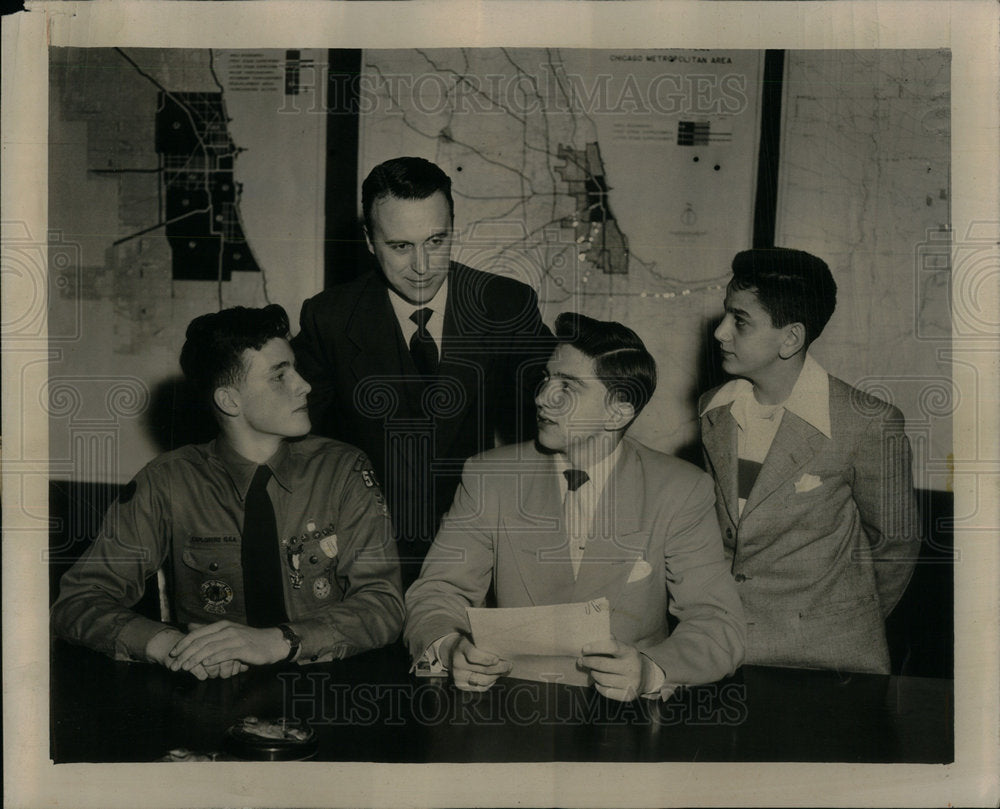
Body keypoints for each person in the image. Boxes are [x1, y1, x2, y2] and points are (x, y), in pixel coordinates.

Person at [404, 313, 746, 700]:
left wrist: (651, 669)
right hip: (508, 704)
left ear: (619, 410)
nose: (542, 397)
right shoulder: (490, 476)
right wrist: (450, 647)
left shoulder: (680, 490)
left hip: (623, 716)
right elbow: (436, 592)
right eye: (547, 379)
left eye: (567, 386)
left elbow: (718, 622)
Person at [51, 305, 404, 679]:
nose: (304, 384)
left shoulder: (342, 469)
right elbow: (77, 602)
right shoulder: (168, 481)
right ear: (229, 400)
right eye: (279, 376)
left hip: (324, 685)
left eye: (295, 368)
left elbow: (382, 605)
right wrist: (170, 646)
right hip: (209, 686)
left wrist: (278, 641)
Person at [293, 156, 554, 585]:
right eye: (400, 246)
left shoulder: (504, 304)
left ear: (454, 227)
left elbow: (561, 407)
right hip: (365, 550)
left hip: (482, 546)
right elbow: (298, 444)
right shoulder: (330, 318)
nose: (422, 266)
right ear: (369, 240)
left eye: (436, 241)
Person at [699, 248, 921, 674]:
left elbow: (895, 543)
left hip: (829, 660)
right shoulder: (714, 410)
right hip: (724, 649)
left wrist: (846, 618)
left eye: (740, 320)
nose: (721, 332)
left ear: (791, 338)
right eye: (726, 315)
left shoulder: (867, 423)